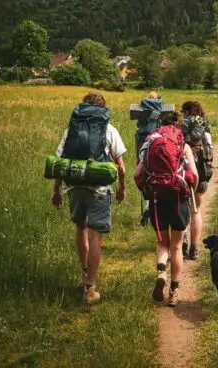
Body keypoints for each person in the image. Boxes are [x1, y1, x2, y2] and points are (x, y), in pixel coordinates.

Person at [51, 91, 126, 304]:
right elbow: (120, 166)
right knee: (95, 236)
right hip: (99, 190)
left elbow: (60, 163)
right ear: (103, 109)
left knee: (80, 228)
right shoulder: (109, 129)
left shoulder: (71, 130)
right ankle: (90, 287)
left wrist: (56, 191)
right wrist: (122, 188)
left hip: (74, 187)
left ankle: (85, 273)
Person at [135, 112, 198, 307]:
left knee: (163, 242)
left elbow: (138, 174)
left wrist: (146, 192)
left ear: (160, 125)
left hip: (157, 198)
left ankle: (161, 271)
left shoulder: (150, 143)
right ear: (178, 126)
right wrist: (190, 192)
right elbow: (194, 175)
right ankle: (174, 291)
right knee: (177, 246)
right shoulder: (183, 145)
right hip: (179, 197)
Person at [180, 100, 213, 261]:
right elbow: (209, 144)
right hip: (203, 168)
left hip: (187, 169)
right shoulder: (204, 123)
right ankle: (194, 248)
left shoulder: (183, 123)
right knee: (196, 210)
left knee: (183, 208)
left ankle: (183, 241)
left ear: (186, 112)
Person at [135, 91, 163, 226]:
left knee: (143, 174)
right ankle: (155, 206)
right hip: (156, 143)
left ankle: (147, 206)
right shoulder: (162, 108)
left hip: (142, 144)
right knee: (155, 174)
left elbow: (138, 125)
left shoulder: (142, 108)